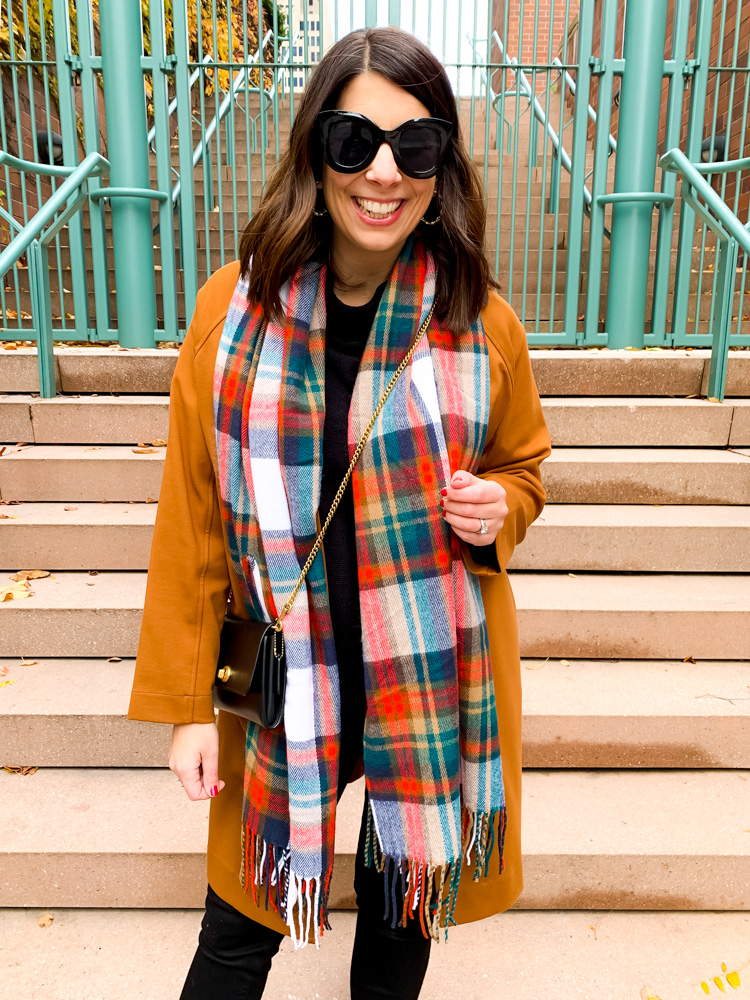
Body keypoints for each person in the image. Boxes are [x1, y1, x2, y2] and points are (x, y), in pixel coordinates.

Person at [127, 24, 550, 1000]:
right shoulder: (233, 312)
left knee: (398, 916)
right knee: (236, 935)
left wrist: (503, 504)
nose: (384, 172)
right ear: (316, 151)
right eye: (356, 140)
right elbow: (193, 519)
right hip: (285, 682)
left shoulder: (480, 323)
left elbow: (524, 465)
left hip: (428, 684)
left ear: (443, 163)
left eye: (417, 144)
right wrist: (191, 707)